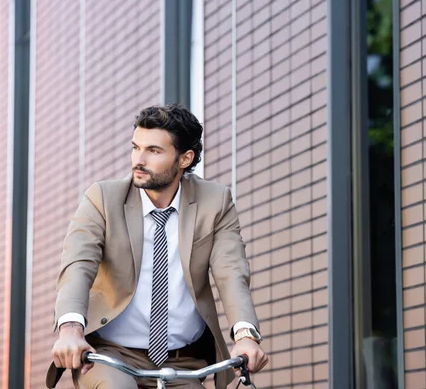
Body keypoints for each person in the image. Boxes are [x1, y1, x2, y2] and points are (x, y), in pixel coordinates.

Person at [46, 104, 269, 389]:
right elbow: (78, 265)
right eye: (135, 147)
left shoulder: (215, 202)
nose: (138, 160)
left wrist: (246, 336)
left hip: (182, 362)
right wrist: (70, 330)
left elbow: (231, 272)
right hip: (111, 355)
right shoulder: (102, 198)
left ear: (184, 159)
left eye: (153, 151)